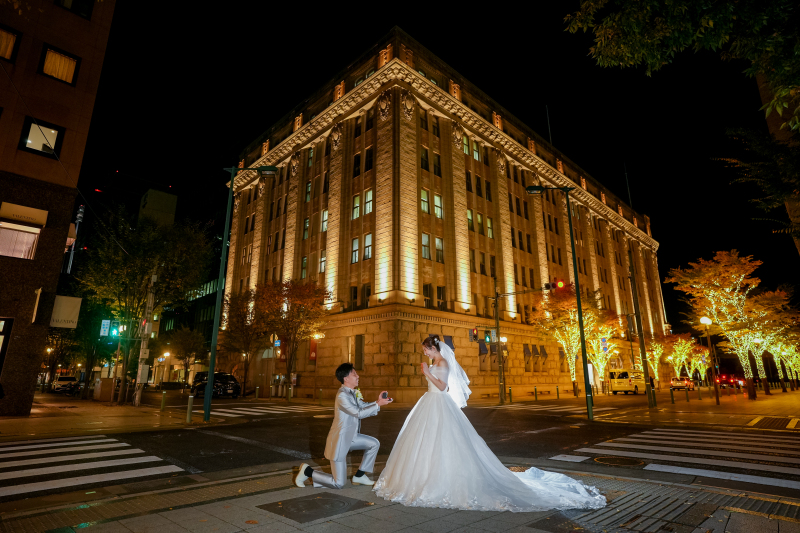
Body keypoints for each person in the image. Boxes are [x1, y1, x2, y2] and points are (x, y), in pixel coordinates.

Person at [373, 335, 606, 512]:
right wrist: (428, 372)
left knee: (445, 442)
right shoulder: (436, 363)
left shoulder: (442, 364)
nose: (424, 353)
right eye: (424, 350)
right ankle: (421, 476)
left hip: (438, 403)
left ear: (434, 348)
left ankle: (440, 479)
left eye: (426, 349)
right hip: (429, 404)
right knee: (426, 443)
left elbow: (443, 387)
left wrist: (426, 373)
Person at [294, 362, 391, 489]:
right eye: (354, 374)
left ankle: (359, 476)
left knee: (374, 443)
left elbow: (362, 406)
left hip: (351, 438)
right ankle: (307, 471)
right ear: (346, 378)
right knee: (339, 483)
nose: (358, 376)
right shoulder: (342, 395)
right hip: (339, 441)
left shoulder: (352, 392)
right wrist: (378, 405)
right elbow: (358, 413)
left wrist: (377, 401)